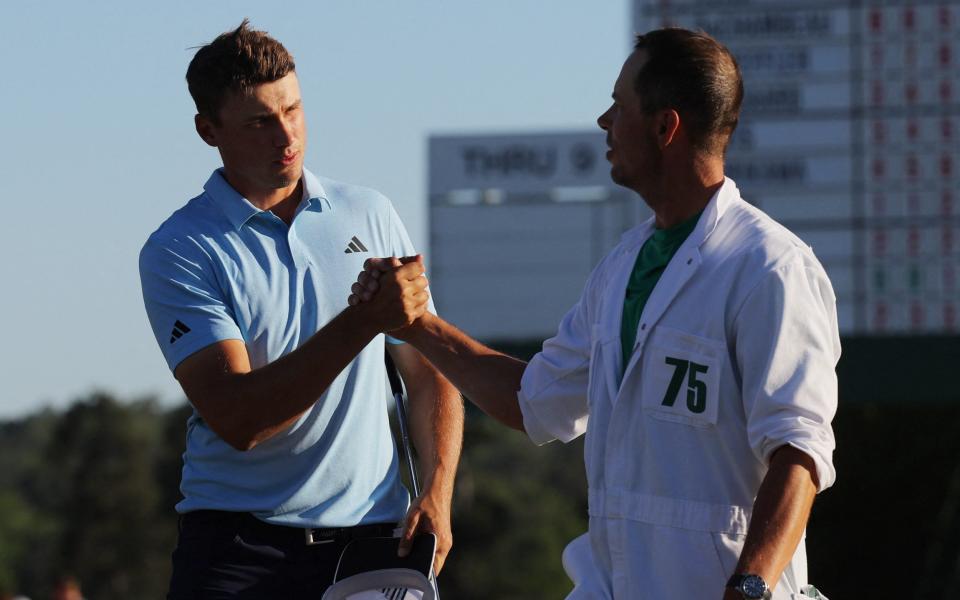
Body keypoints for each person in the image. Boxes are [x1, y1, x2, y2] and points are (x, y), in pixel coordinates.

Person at [352, 28, 839, 599]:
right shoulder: (621, 267)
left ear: (665, 127)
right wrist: (416, 325)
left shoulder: (770, 268)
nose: (604, 122)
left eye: (619, 105)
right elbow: (532, 400)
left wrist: (749, 588)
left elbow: (799, 453)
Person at [138, 20, 463, 599]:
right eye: (260, 121)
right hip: (237, 550)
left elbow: (428, 364)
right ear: (207, 130)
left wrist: (438, 490)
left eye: (292, 109)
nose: (285, 135)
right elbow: (242, 420)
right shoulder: (180, 247)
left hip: (374, 538)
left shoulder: (369, 211)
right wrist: (361, 321)